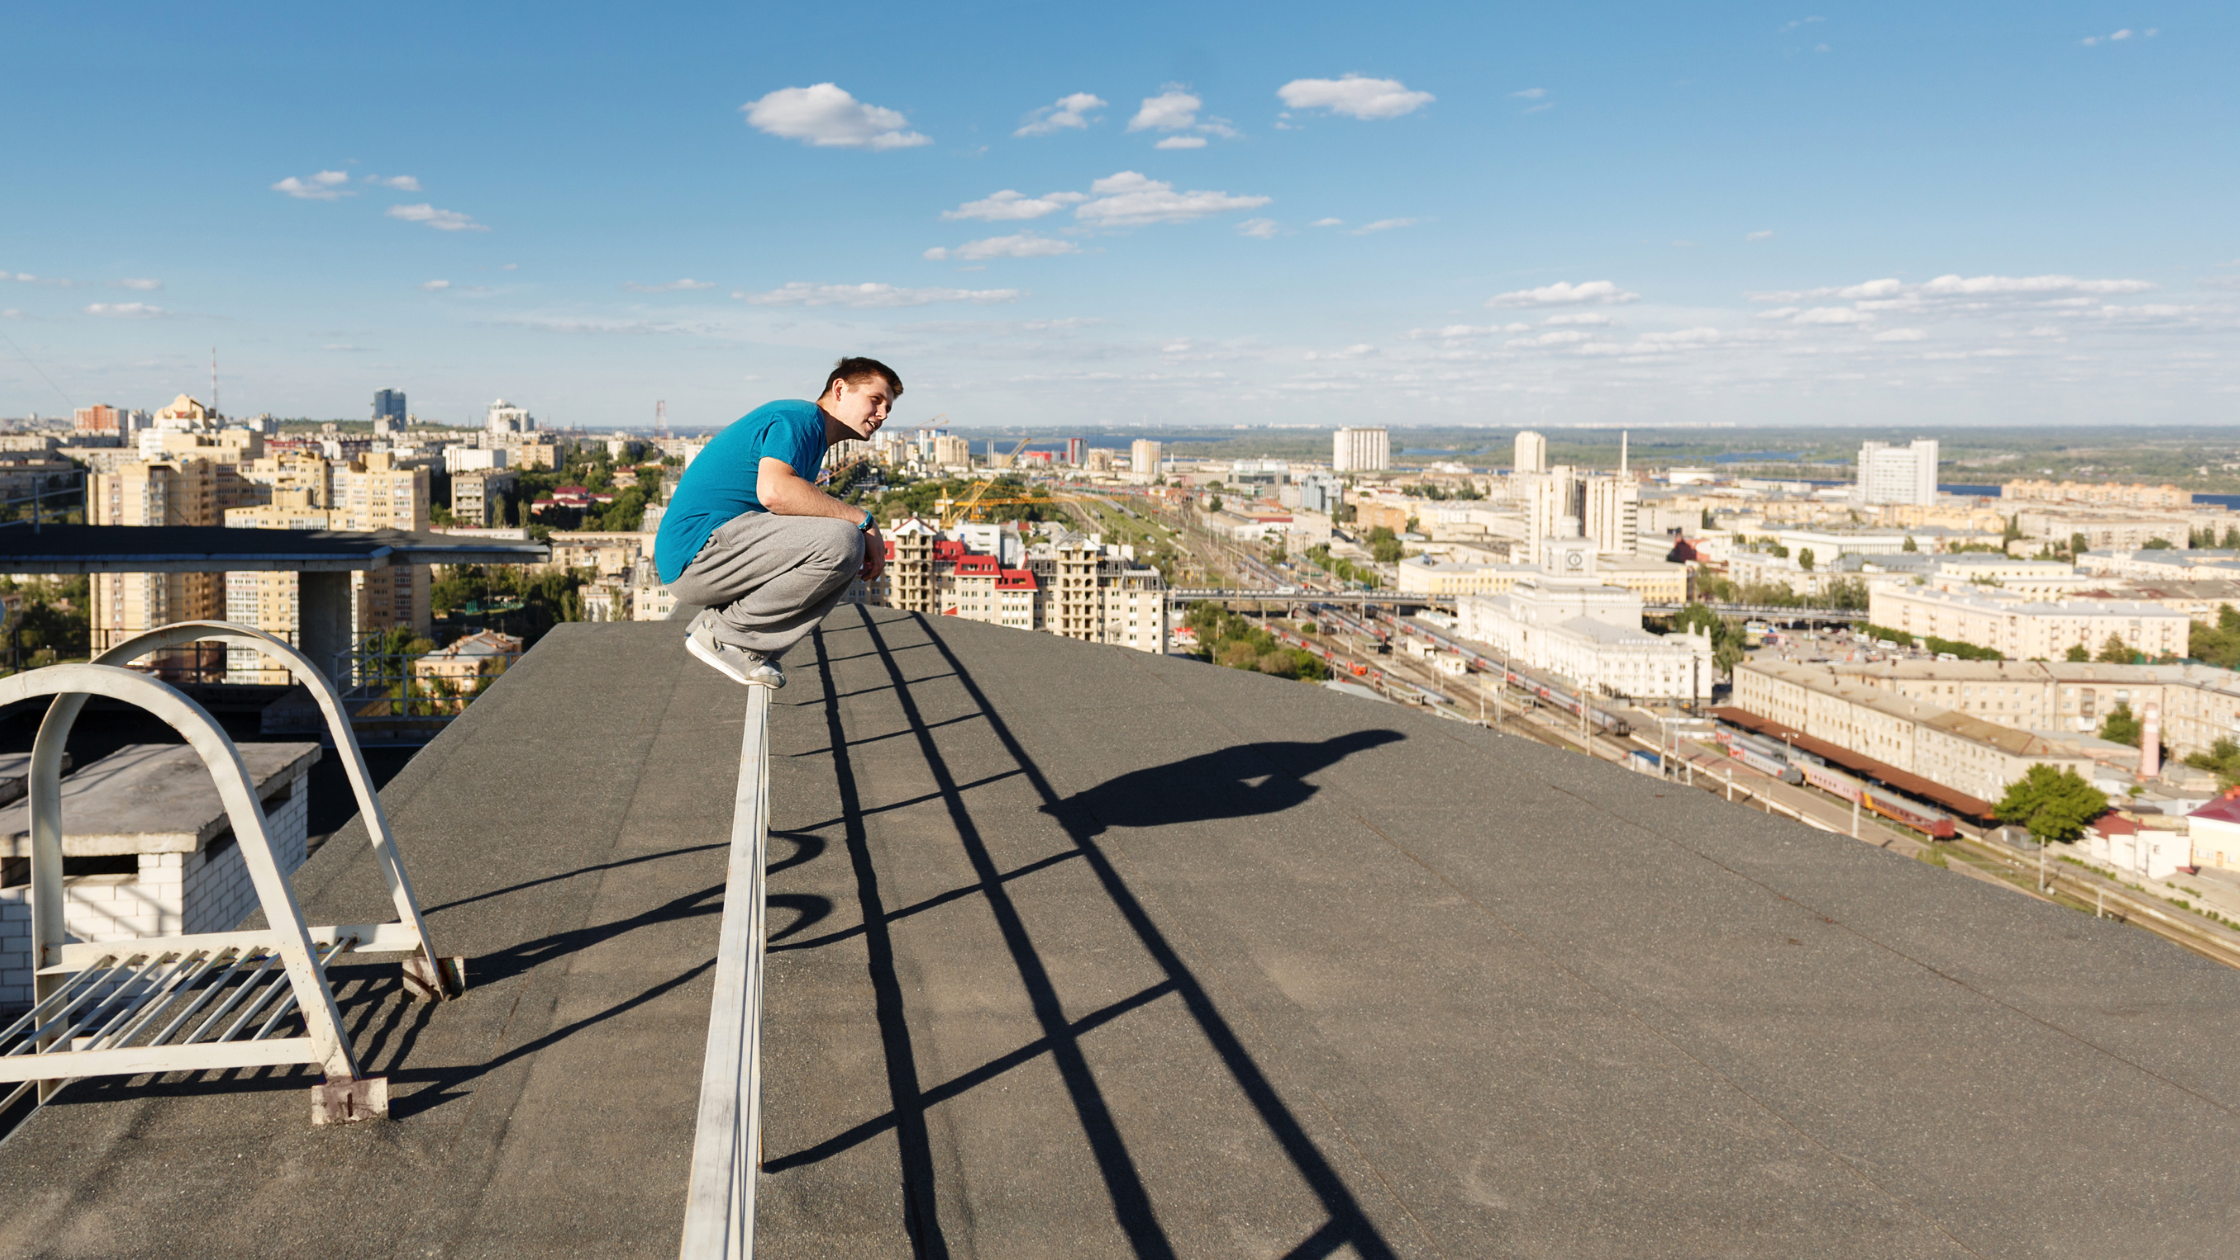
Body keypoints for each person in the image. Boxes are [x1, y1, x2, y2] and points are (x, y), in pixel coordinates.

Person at [657, 357, 896, 688]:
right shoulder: (801, 418)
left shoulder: (812, 435)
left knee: (841, 540)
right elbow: (774, 492)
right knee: (844, 540)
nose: (883, 414)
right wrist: (863, 520)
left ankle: (734, 635)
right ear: (840, 389)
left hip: (706, 557)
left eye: (888, 407)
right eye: (875, 400)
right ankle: (726, 637)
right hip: (699, 554)